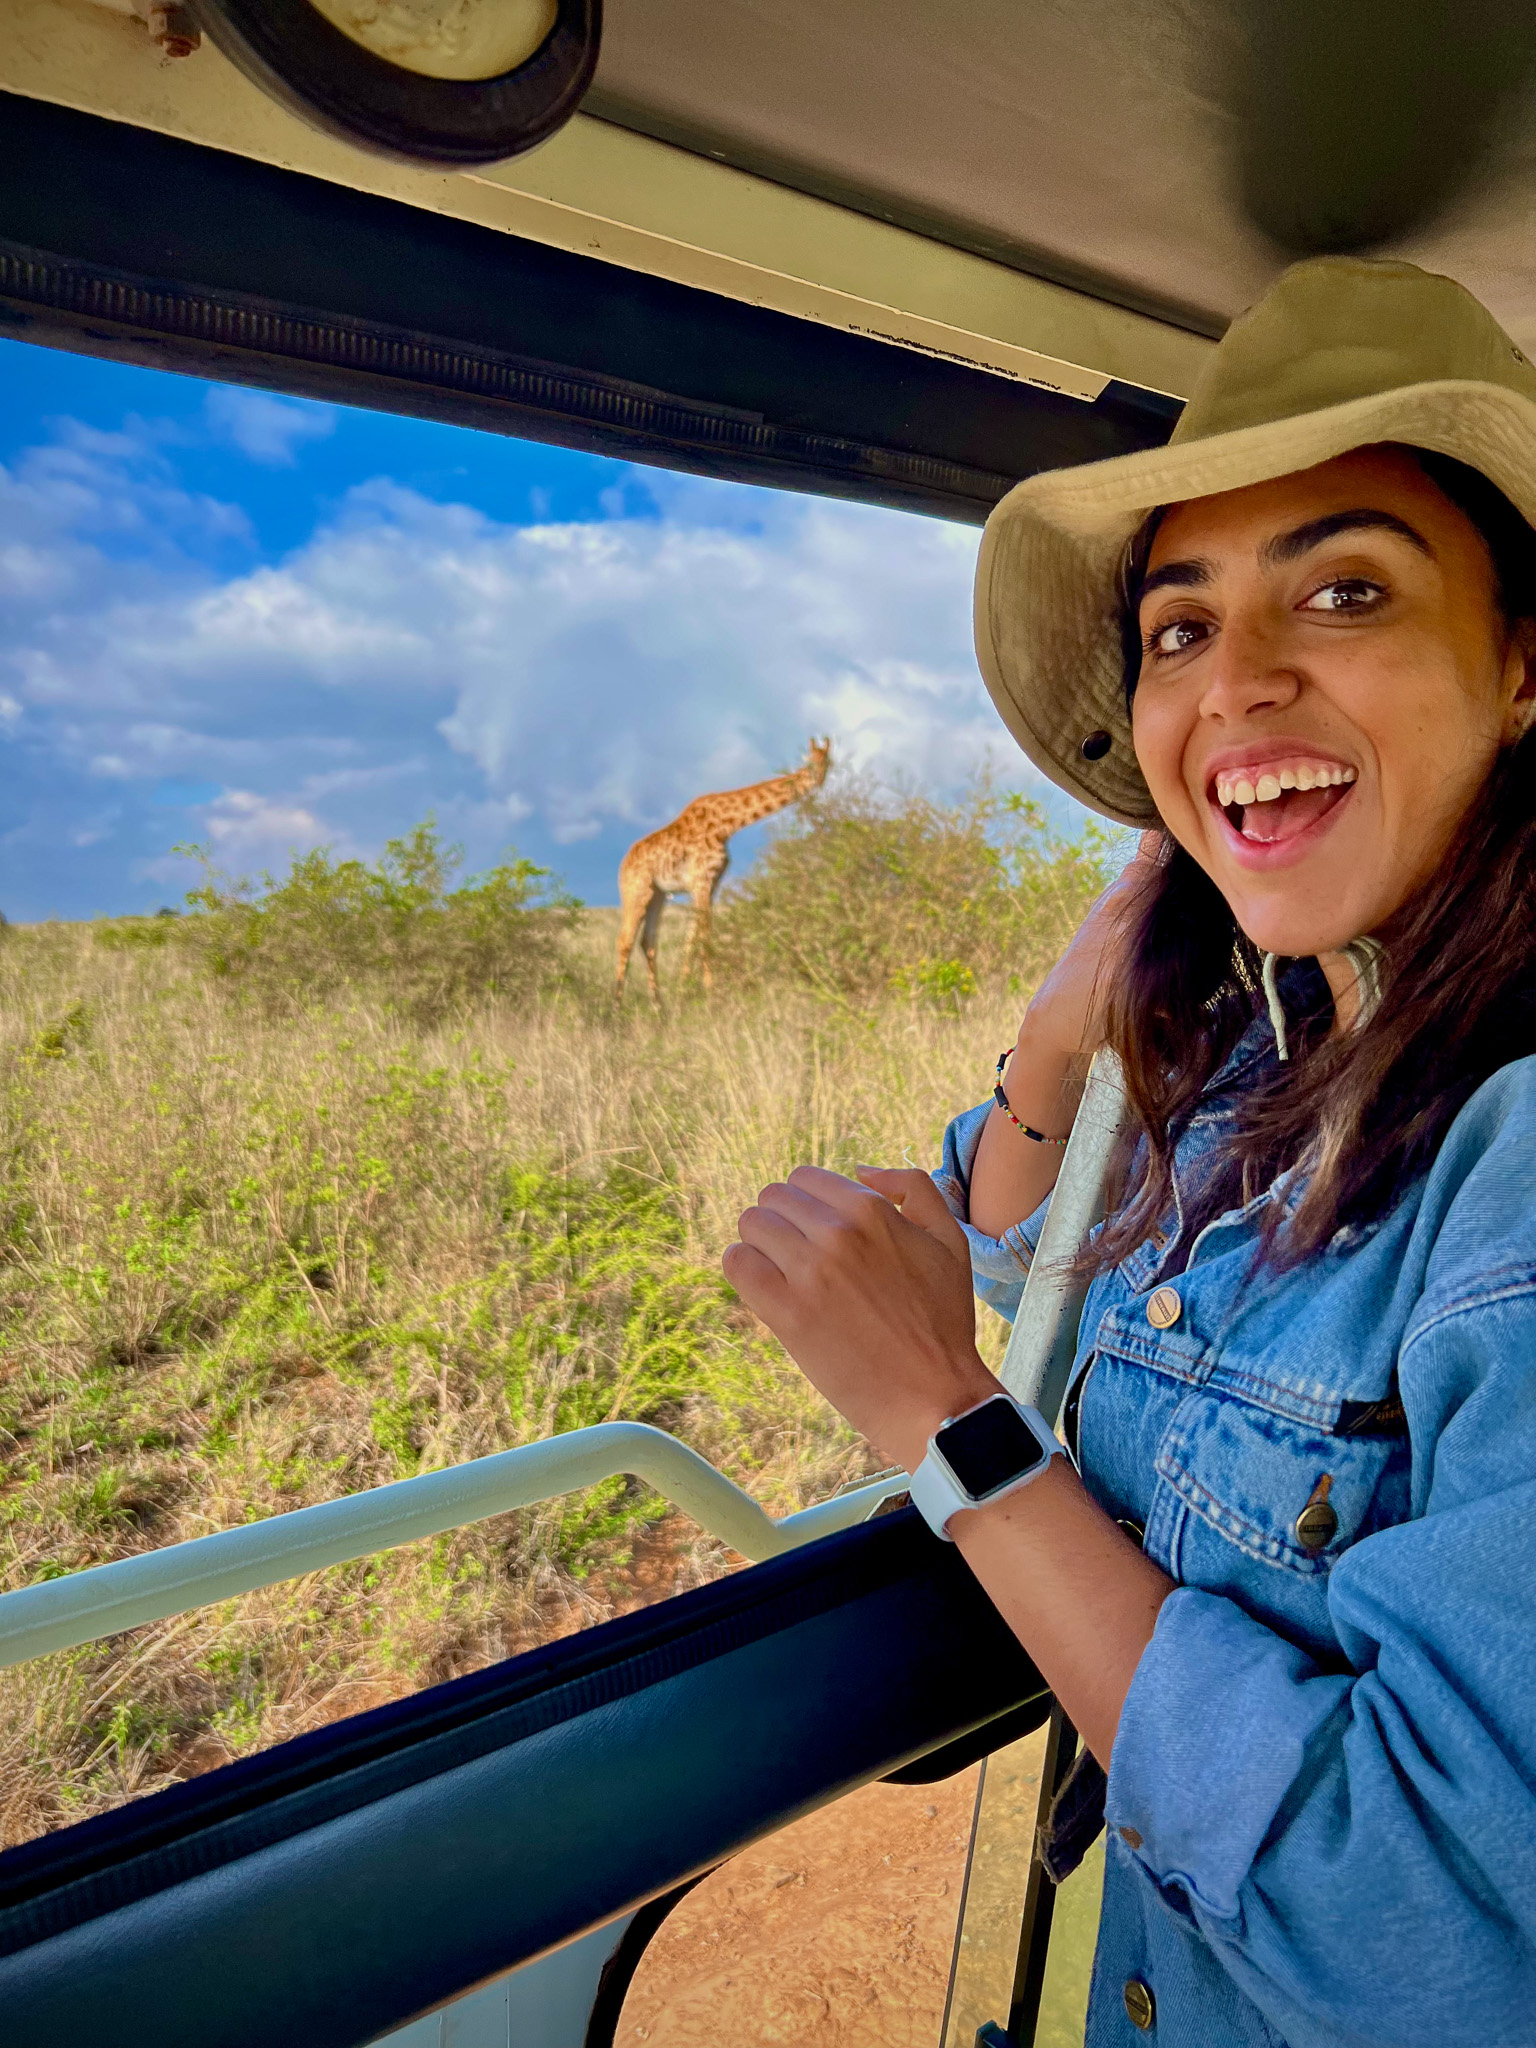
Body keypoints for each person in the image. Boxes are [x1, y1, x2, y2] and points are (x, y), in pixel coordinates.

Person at [723, 256, 1536, 2047]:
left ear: (1520, 663)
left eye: (1344, 589)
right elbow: (1024, 1275)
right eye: (1178, 626)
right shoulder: (1270, 1052)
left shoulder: (1513, 1158)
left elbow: (1446, 1936)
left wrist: (952, 1429)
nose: (1232, 684)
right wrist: (1056, 1038)